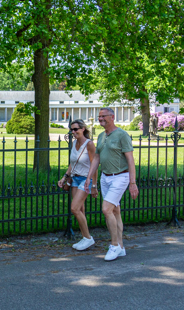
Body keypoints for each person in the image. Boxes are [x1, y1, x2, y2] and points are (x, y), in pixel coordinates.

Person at [85, 107, 139, 261]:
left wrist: (132, 183)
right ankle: (121, 247)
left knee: (106, 209)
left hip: (120, 177)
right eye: (99, 116)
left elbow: (130, 160)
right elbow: (96, 158)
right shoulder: (101, 136)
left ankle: (114, 245)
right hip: (105, 177)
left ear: (112, 117)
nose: (100, 118)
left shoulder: (122, 135)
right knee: (115, 211)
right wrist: (90, 178)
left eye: (103, 116)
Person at [58, 119, 98, 250]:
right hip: (74, 179)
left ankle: (88, 238)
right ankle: (84, 237)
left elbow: (95, 165)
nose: (73, 132)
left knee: (74, 208)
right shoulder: (74, 143)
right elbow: (72, 163)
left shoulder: (89, 144)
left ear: (83, 129)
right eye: (71, 130)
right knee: (79, 210)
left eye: (76, 129)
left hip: (86, 180)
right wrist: (65, 177)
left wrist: (94, 185)